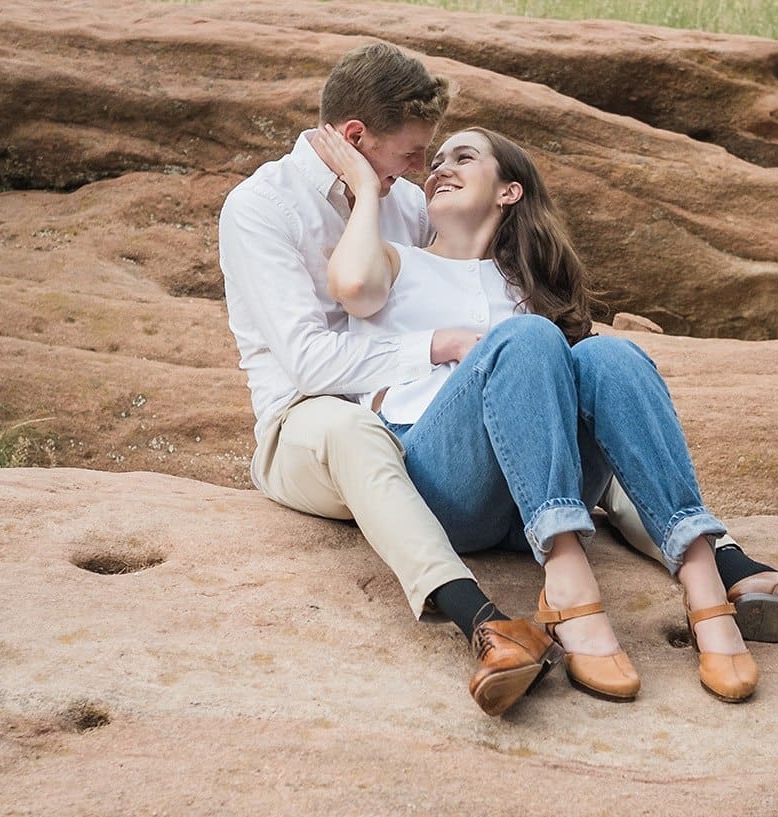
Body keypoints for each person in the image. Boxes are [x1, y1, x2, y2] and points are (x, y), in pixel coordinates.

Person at [314, 123, 778, 701]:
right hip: (449, 482)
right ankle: (571, 579)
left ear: (509, 191)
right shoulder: (399, 262)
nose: (440, 167)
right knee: (526, 340)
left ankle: (708, 578)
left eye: (463, 157)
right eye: (436, 160)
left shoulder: (531, 290)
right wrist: (367, 188)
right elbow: (354, 285)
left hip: (537, 494)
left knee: (610, 354)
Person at [218, 43, 565, 716]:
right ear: (355, 138)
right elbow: (311, 363)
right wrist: (434, 346)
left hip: (419, 429)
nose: (423, 171)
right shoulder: (262, 208)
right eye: (411, 155)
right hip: (303, 426)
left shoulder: (403, 202)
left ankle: (713, 556)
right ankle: (485, 624)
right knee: (351, 427)